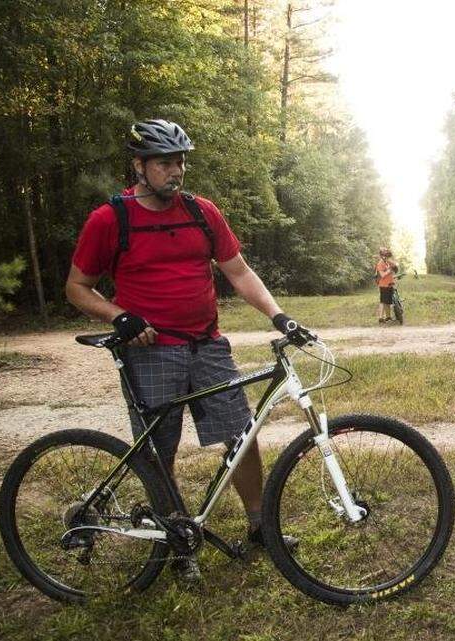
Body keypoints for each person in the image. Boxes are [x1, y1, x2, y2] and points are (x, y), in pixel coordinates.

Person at [65, 119, 313, 579]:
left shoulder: (202, 211)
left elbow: (238, 272)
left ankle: (260, 526)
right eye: (165, 163)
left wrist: (279, 316)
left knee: (241, 435)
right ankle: (178, 541)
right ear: (139, 166)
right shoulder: (110, 219)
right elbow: (77, 287)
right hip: (150, 350)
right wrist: (118, 316)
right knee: (161, 452)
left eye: (180, 162)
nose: (176, 172)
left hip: (208, 344)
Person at [375, 247, 398, 323]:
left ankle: (388, 317)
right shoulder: (380, 264)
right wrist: (389, 271)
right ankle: (380, 318)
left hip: (389, 284)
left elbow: (395, 267)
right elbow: (382, 275)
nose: (386, 257)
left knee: (388, 302)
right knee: (383, 301)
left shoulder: (387, 262)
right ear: (381, 256)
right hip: (383, 285)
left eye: (387, 256)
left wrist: (394, 266)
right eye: (385, 256)